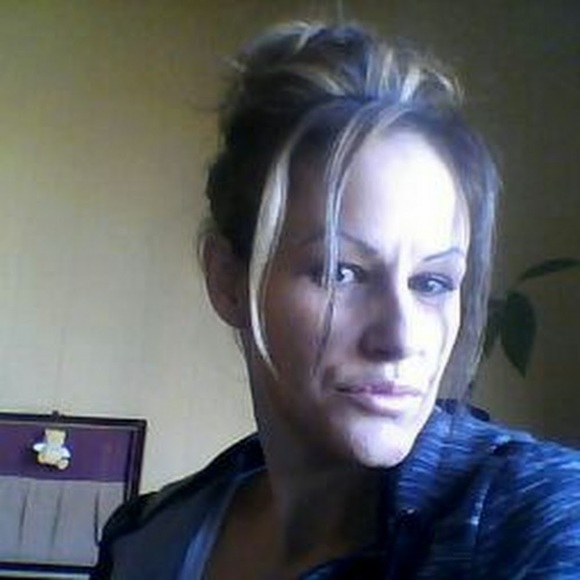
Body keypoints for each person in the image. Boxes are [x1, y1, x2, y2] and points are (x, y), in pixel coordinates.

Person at [92, 21, 580, 579]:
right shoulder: (147, 541)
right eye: (340, 272)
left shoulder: (536, 520)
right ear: (228, 279)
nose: (400, 339)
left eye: (432, 283)